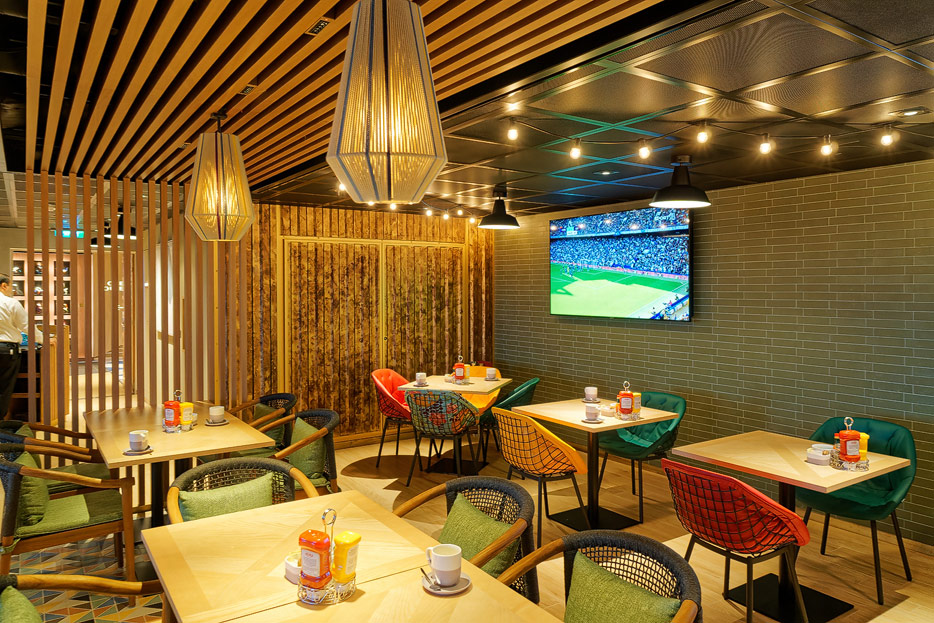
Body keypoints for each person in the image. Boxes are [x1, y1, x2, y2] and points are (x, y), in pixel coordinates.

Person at [0, 273, 48, 418]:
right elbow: (26, 326)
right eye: (11, 286)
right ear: (4, 285)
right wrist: (44, 340)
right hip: (6, 351)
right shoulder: (10, 303)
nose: (12, 290)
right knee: (3, 390)